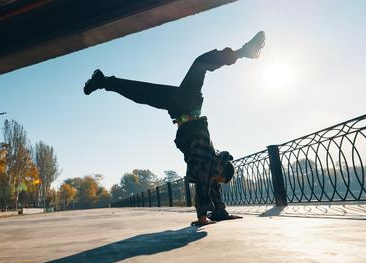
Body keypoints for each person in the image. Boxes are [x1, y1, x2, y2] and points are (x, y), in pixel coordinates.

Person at [84, 31, 265, 225]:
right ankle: (245, 51)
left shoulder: (210, 162)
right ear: (220, 172)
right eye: (219, 180)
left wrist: (217, 212)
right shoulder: (208, 163)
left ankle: (103, 81)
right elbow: (205, 184)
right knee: (195, 66)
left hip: (184, 108)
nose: (217, 183)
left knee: (146, 92)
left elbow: (209, 185)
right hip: (187, 108)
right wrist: (204, 216)